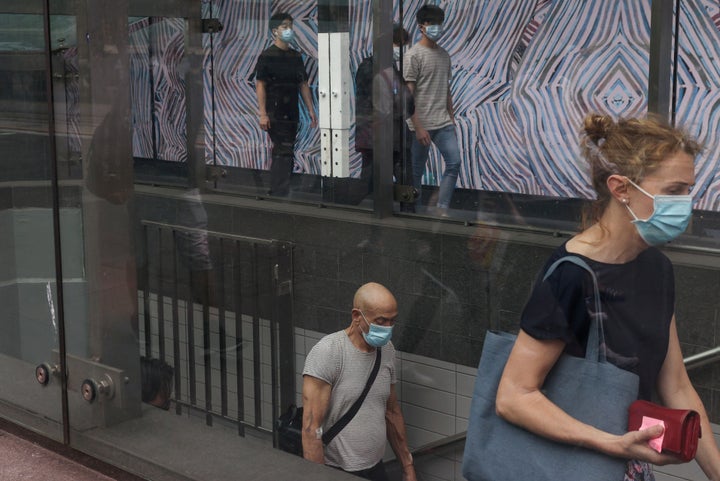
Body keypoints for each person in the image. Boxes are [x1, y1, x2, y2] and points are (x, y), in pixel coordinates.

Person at [495, 113, 720, 481]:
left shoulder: (657, 268)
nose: (687, 204)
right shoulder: (571, 275)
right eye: (674, 191)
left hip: (625, 467)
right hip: (570, 467)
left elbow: (676, 384)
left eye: (689, 190)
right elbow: (513, 397)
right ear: (621, 188)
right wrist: (611, 444)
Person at [301, 282, 416, 481]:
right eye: (381, 321)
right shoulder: (329, 352)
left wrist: (407, 467)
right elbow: (312, 429)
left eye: (392, 321)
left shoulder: (387, 350)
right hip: (336, 470)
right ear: (357, 316)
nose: (387, 328)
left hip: (376, 469)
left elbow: (391, 411)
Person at [404, 4, 461, 214]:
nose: (437, 28)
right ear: (421, 26)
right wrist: (417, 127)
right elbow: (408, 95)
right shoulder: (413, 55)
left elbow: (446, 89)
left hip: (443, 122)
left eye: (439, 23)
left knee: (454, 162)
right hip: (420, 124)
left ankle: (442, 209)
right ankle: (415, 212)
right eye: (432, 24)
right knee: (416, 171)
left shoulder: (444, 55)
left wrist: (451, 117)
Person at [254, 12, 317, 197]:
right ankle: (278, 189)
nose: (289, 30)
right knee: (282, 149)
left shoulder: (296, 56)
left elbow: (303, 84)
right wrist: (263, 113)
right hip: (275, 110)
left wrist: (311, 110)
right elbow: (260, 85)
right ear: (275, 31)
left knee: (288, 148)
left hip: (292, 111)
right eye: (284, 26)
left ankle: (282, 187)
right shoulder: (267, 56)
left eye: (290, 26)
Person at [354, 24, 415, 210]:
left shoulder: (393, 69)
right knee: (371, 178)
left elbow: (407, 104)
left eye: (403, 44)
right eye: (397, 44)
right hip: (376, 134)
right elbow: (374, 105)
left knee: (403, 176)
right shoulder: (369, 69)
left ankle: (406, 214)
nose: (400, 49)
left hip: (395, 133)